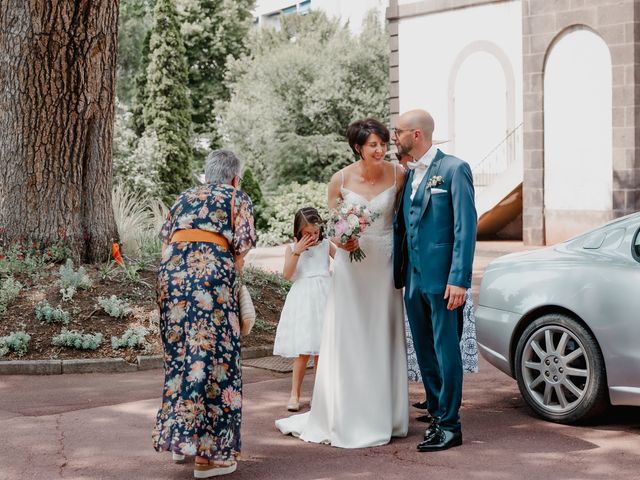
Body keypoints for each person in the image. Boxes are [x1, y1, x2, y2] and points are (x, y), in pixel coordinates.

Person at [276, 118, 408, 448]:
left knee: (382, 333)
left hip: (386, 266)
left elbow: (406, 221)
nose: (380, 150)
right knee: (350, 335)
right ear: (357, 148)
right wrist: (343, 240)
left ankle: (386, 414)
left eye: (383, 144)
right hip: (352, 267)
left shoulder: (399, 174)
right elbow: (334, 228)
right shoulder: (340, 180)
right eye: (373, 145)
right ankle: (348, 412)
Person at [152, 150, 256, 478]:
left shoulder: (184, 197)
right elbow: (242, 247)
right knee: (214, 362)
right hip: (209, 279)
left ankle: (181, 438)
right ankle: (209, 458)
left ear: (206, 174)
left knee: (183, 358)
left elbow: (166, 241)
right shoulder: (236, 197)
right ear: (234, 177)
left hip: (171, 278)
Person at [393, 109, 477, 452]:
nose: (393, 137)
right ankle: (436, 405)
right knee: (424, 350)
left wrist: (459, 279)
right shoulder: (409, 174)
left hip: (444, 281)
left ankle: (450, 425)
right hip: (413, 279)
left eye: (398, 132)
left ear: (416, 135)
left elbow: (465, 228)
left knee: (445, 350)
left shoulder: (455, 169)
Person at [273, 207, 336, 412]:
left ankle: (319, 394)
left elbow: (344, 261)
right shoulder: (292, 249)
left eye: (315, 232)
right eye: (307, 233)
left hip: (326, 296)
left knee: (322, 350)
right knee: (302, 350)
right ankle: (295, 394)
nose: (312, 237)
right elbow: (287, 274)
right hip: (304, 300)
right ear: (298, 232)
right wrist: (297, 251)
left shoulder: (326, 244)